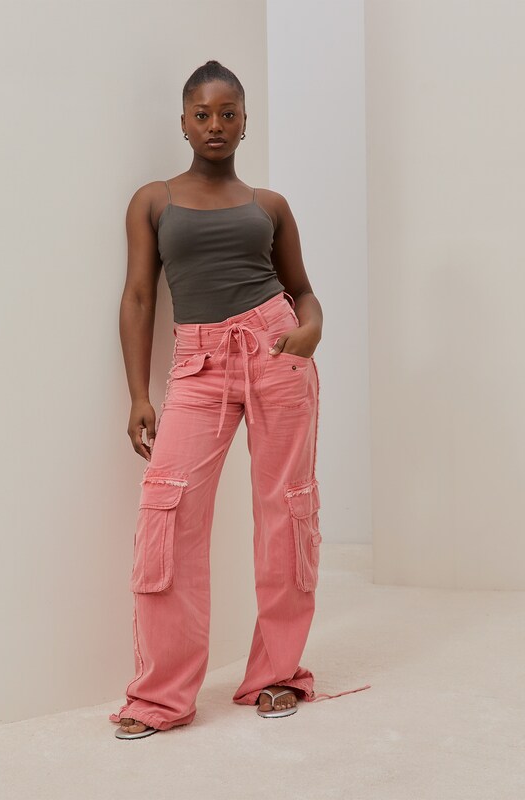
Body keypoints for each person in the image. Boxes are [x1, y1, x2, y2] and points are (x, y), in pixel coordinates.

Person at [109, 60, 370, 739]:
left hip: (276, 350)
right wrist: (139, 393)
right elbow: (138, 296)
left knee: (287, 512)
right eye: (202, 114)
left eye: (229, 113)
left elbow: (301, 290)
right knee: (167, 513)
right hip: (197, 365)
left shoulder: (269, 205)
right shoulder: (154, 200)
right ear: (183, 122)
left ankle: (277, 674)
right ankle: (162, 696)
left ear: (246, 122)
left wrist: (311, 329)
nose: (215, 125)